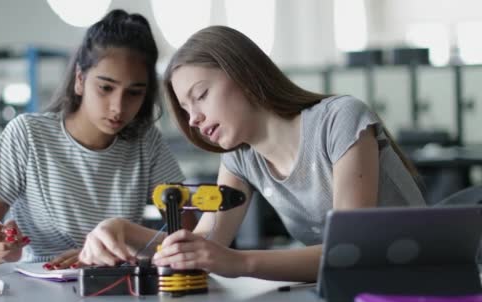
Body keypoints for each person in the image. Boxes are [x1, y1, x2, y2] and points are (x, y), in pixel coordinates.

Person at [78, 25, 425, 282]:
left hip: (423, 282)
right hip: (352, 291)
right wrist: (121, 230)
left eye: (201, 95)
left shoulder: (340, 119)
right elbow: (203, 244)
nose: (194, 118)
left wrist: (239, 262)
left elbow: (352, 248)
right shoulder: (240, 157)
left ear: (243, 74)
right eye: (185, 109)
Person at [0, 9, 195, 269]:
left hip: (116, 293)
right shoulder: (27, 135)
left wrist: (125, 238)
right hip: (40, 292)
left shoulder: (146, 142)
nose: (118, 106)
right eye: (105, 88)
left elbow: (190, 242)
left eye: (134, 93)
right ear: (80, 80)